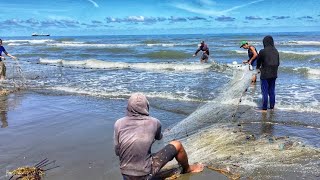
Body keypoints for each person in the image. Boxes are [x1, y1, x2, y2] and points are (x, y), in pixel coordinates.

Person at [114, 93, 204, 180]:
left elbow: (118, 152)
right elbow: (159, 138)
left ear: (128, 107)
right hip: (145, 175)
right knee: (177, 144)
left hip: (125, 174)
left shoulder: (119, 123)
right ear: (146, 107)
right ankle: (187, 169)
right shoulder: (154, 122)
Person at [256, 36, 280, 112]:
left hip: (265, 74)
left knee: (265, 91)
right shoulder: (276, 51)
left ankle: (264, 108)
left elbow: (258, 62)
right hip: (274, 73)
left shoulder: (262, 51)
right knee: (272, 90)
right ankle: (272, 107)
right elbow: (278, 63)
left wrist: (258, 69)